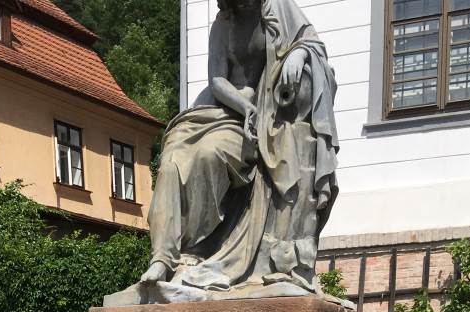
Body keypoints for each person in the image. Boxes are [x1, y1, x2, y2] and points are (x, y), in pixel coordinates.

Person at [141, 0, 338, 294]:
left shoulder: (279, 8)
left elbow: (312, 44)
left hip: (257, 119)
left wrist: (299, 55)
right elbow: (217, 80)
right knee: (172, 161)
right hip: (221, 109)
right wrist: (246, 108)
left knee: (210, 154)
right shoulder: (224, 24)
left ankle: (198, 247)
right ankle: (163, 256)